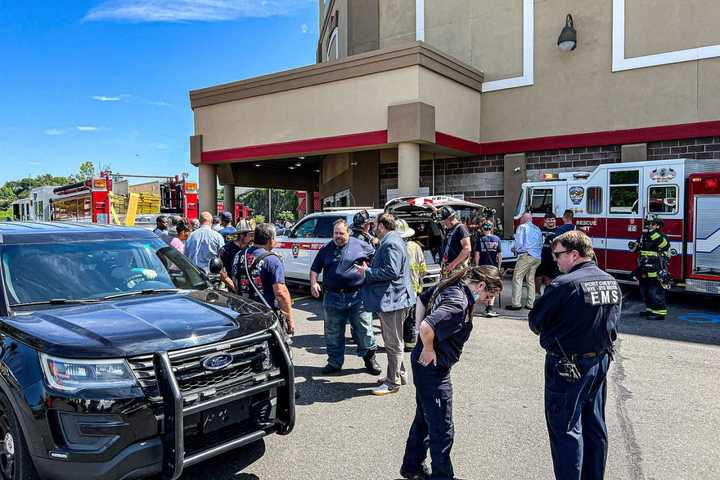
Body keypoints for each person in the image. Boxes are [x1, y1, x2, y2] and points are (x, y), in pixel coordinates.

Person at [528, 230, 620, 480]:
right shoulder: (610, 280)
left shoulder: (563, 284)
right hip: (599, 362)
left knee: (566, 429)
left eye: (557, 255)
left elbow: (535, 321)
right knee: (594, 427)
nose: (555, 260)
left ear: (574, 254)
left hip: (567, 365)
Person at [400, 266, 503, 480]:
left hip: (428, 366)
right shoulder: (458, 303)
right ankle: (442, 475)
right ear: (481, 285)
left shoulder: (453, 285)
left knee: (425, 418)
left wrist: (423, 340)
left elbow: (422, 299)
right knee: (442, 428)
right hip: (431, 370)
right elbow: (428, 325)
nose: (487, 300)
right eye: (488, 295)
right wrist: (427, 346)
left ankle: (412, 467)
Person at [310, 219, 381, 375]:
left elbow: (377, 256)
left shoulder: (360, 245)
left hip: (358, 296)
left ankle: (370, 359)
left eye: (341, 233)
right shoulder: (326, 249)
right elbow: (315, 268)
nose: (338, 236)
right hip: (332, 297)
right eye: (335, 233)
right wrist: (314, 283)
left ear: (348, 232)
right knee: (333, 332)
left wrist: (370, 270)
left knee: (364, 330)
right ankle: (334, 362)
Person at [356, 213, 415, 396]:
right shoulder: (393, 240)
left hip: (394, 301)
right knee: (395, 341)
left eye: (375, 225)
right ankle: (399, 375)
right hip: (395, 300)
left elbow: (391, 271)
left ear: (382, 225)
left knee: (393, 343)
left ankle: (392, 382)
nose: (373, 229)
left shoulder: (391, 243)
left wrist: (368, 271)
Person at [235, 223, 295, 335]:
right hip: (265, 318)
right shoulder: (272, 260)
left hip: (242, 313)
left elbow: (235, 282)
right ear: (270, 240)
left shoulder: (238, 255)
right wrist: (289, 319)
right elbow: (281, 293)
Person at [630, 216, 670, 320]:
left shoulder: (662, 236)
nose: (650, 226)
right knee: (645, 291)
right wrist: (633, 246)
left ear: (658, 226)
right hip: (644, 268)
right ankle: (650, 310)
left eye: (653, 224)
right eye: (649, 224)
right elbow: (636, 249)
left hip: (657, 268)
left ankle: (660, 314)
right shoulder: (643, 236)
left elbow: (665, 245)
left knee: (655, 291)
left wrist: (652, 233)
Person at [508, 212, 543, 310]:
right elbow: (541, 243)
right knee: (530, 280)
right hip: (537, 258)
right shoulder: (537, 229)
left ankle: (516, 304)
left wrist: (515, 249)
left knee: (517, 278)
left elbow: (519, 243)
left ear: (523, 219)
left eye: (521, 219)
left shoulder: (522, 227)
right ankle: (530, 304)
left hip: (526, 256)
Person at [402, 219, 427, 351]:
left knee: (398, 318)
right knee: (411, 318)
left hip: (398, 291)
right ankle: (410, 344)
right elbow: (423, 269)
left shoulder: (392, 246)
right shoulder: (416, 246)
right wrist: (419, 285)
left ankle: (398, 343)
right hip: (414, 289)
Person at [473, 220, 503, 317]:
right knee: (493, 287)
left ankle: (486, 308)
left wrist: (477, 266)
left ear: (483, 229)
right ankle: (489, 308)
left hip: (482, 267)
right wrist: (499, 266)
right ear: (492, 228)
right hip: (493, 267)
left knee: (484, 287)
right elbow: (500, 255)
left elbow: (477, 254)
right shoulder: (497, 239)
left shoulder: (480, 239)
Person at [217, 219, 254, 292]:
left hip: (250, 292)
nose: (252, 238)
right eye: (251, 235)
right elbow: (219, 270)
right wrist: (233, 286)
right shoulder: (225, 250)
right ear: (242, 235)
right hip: (234, 294)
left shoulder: (250, 249)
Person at [437, 206, 471, 278]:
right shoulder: (449, 229)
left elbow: (467, 248)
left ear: (449, 219)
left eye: (444, 221)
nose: (443, 223)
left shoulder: (461, 228)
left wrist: (452, 264)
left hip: (457, 269)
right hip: (449, 267)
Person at [535, 212, 561, 294]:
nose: (551, 221)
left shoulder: (559, 230)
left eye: (553, 219)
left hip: (552, 260)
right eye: (549, 219)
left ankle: (547, 295)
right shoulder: (539, 230)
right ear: (545, 220)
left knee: (549, 279)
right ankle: (537, 295)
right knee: (537, 277)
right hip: (540, 258)